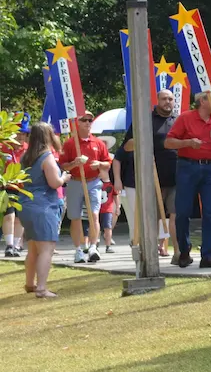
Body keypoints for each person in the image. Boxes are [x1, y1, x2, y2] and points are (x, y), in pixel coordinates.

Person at [164, 90, 211, 269]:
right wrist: (188, 142)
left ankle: (207, 254)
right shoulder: (185, 118)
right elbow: (168, 142)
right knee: (182, 211)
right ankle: (184, 250)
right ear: (203, 101)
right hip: (187, 166)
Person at [119, 90, 179, 259]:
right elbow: (127, 146)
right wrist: (142, 141)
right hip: (151, 178)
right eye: (164, 99)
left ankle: (179, 252)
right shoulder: (144, 120)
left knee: (176, 215)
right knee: (151, 217)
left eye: (170, 99)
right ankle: (150, 252)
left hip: (176, 177)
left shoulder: (178, 120)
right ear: (157, 101)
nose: (168, 101)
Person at [19, 122, 68, 298]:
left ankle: (30, 284)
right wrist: (64, 177)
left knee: (33, 248)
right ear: (48, 136)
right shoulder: (46, 157)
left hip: (26, 205)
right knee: (46, 248)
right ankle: (41, 288)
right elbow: (54, 183)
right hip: (44, 206)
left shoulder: (26, 157)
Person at [62, 110, 111, 264]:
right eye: (84, 120)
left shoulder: (98, 143)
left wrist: (100, 164)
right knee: (75, 217)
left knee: (94, 215)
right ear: (77, 123)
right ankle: (78, 250)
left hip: (94, 181)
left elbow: (107, 163)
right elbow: (63, 165)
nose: (88, 123)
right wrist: (74, 163)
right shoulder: (70, 143)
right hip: (76, 181)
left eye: (90, 120)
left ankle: (93, 247)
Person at [2, 118, 28, 257]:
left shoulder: (28, 150)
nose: (20, 136)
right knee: (9, 216)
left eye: (23, 134)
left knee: (20, 218)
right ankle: (9, 245)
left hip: (23, 187)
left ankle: (17, 245)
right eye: (18, 133)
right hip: (7, 186)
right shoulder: (4, 148)